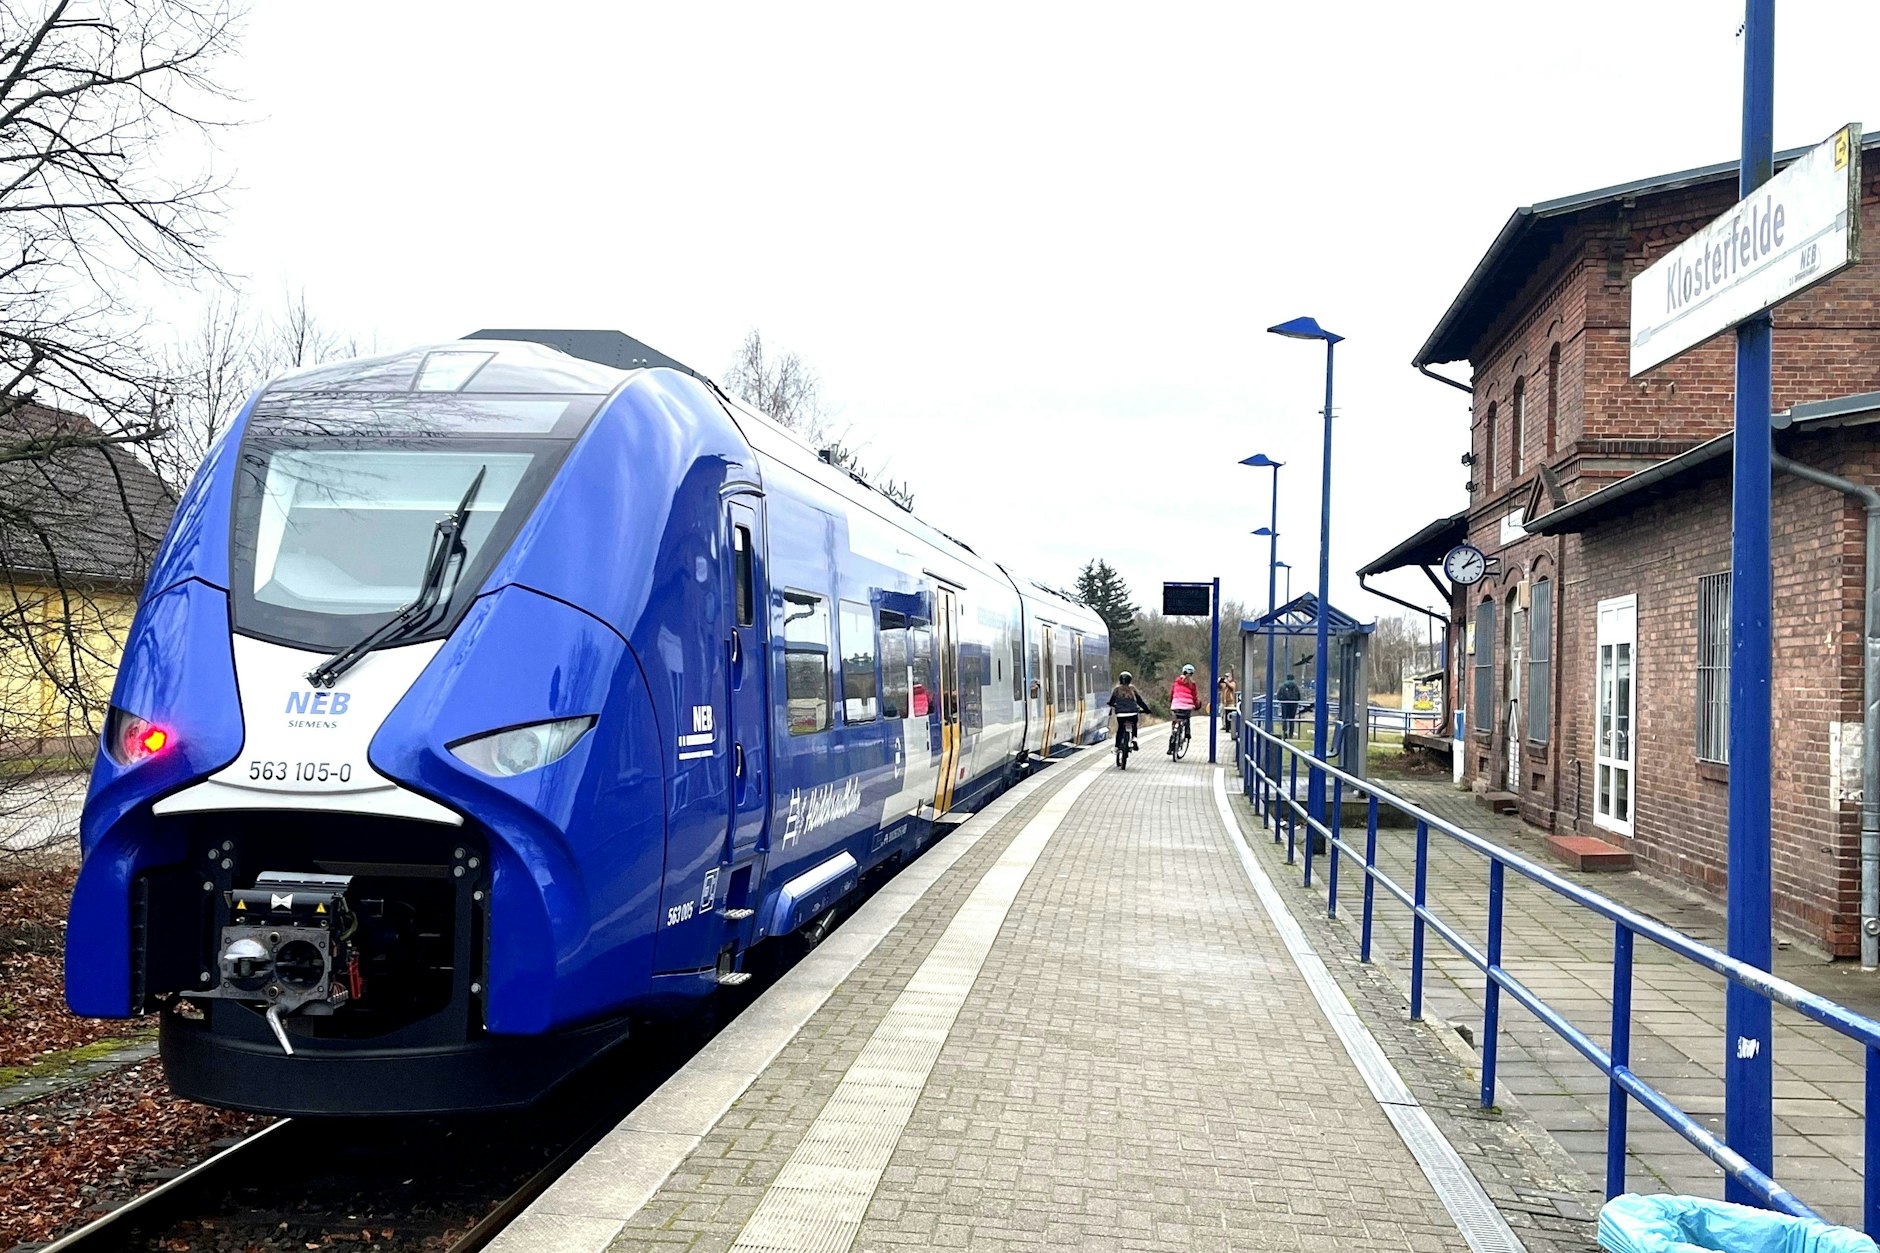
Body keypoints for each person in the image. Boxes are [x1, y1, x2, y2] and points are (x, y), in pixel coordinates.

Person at [1109, 671, 1152, 751]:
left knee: (1120, 729)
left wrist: (1113, 705)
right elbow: (1140, 701)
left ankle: (1117, 747)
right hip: (1133, 712)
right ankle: (1134, 738)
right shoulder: (1133, 689)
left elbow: (1112, 701)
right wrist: (1146, 710)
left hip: (1121, 714)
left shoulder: (1116, 689)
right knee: (1134, 725)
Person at [1169, 664, 1200, 754]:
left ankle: (1171, 746)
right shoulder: (1192, 684)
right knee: (1186, 719)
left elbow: (1172, 693)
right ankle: (1187, 733)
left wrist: (1172, 701)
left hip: (1176, 706)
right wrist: (1196, 705)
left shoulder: (1177, 682)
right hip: (1187, 707)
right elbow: (1194, 697)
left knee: (1175, 722)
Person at [1277, 674, 1302, 740]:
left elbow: (1278, 696)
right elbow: (1299, 697)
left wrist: (1283, 700)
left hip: (1284, 704)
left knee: (1284, 718)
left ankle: (1284, 733)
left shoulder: (1282, 686)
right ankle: (1291, 734)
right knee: (1292, 719)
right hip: (1293, 705)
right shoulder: (1296, 686)